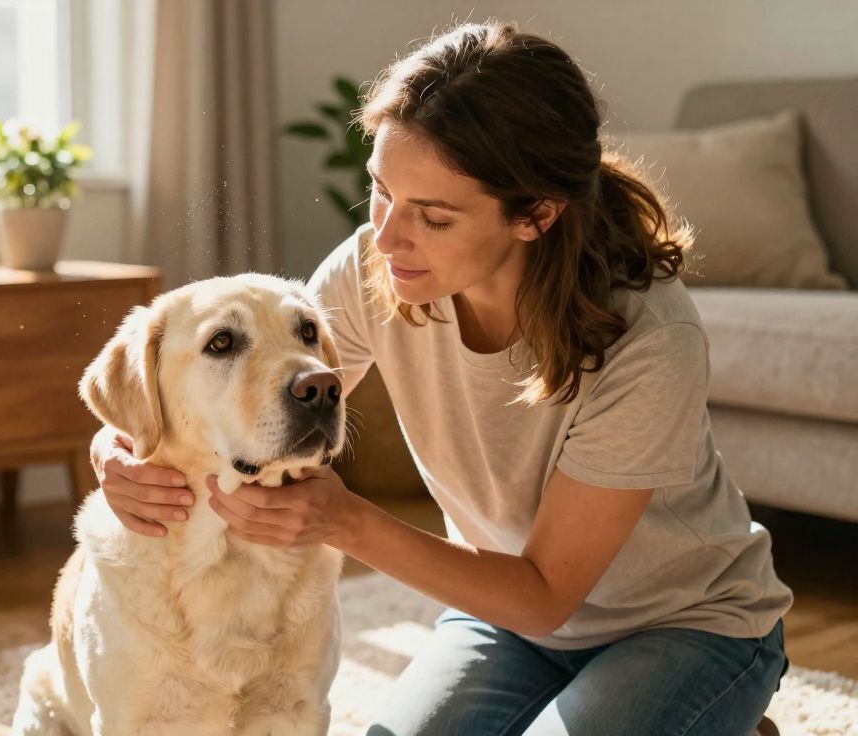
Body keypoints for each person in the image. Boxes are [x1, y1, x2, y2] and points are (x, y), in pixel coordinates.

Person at [88, 20, 792, 736]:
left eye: (432, 216)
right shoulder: (381, 269)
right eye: (381, 191)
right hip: (507, 618)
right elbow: (239, 389)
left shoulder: (649, 340)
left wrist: (346, 519)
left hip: (688, 624)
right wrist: (116, 450)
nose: (387, 237)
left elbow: (546, 592)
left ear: (536, 214)